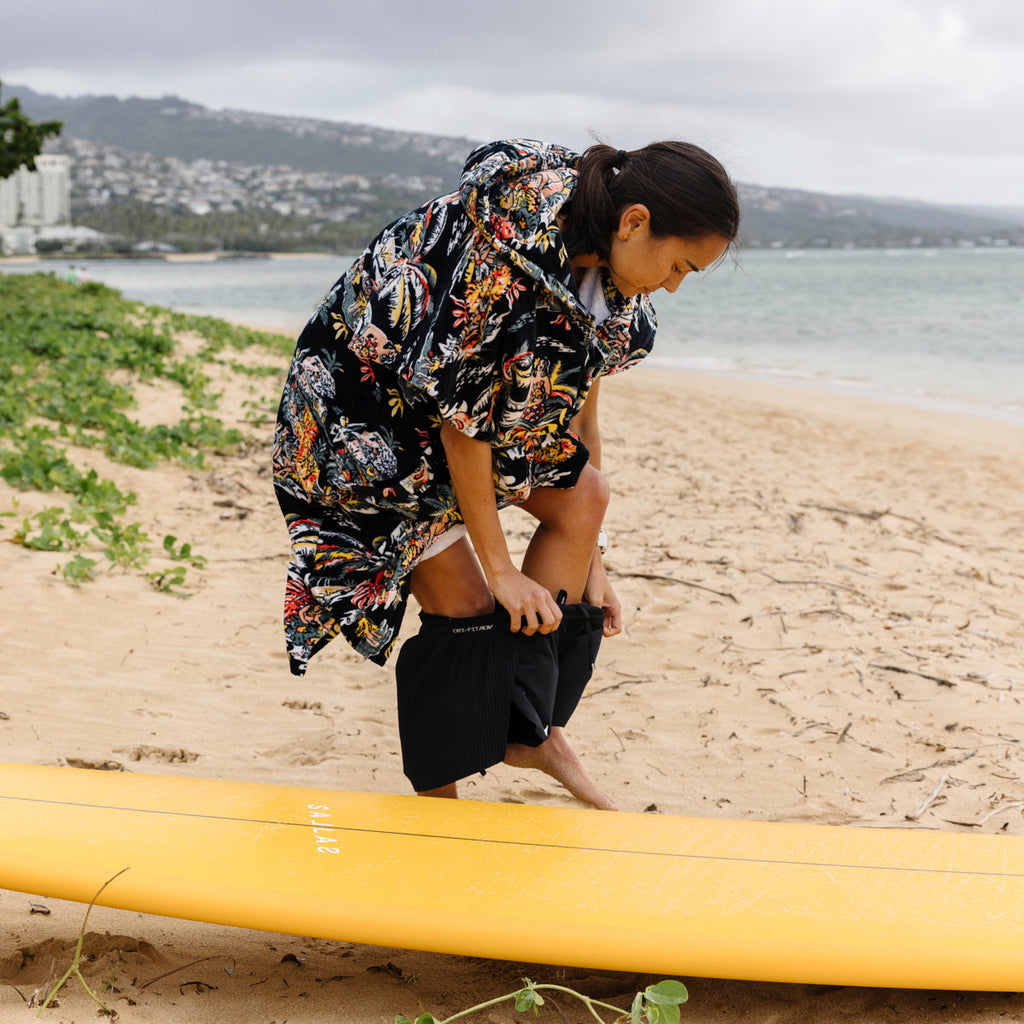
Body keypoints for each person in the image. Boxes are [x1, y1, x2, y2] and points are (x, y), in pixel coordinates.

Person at [273, 138, 739, 809]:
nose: (673, 286)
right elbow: (463, 426)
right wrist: (500, 571)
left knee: (587, 496)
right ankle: (441, 808)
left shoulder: (607, 278)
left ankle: (531, 731)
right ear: (635, 222)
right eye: (678, 266)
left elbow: (577, 414)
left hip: (453, 427)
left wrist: (592, 562)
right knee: (468, 606)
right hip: (363, 432)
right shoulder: (499, 259)